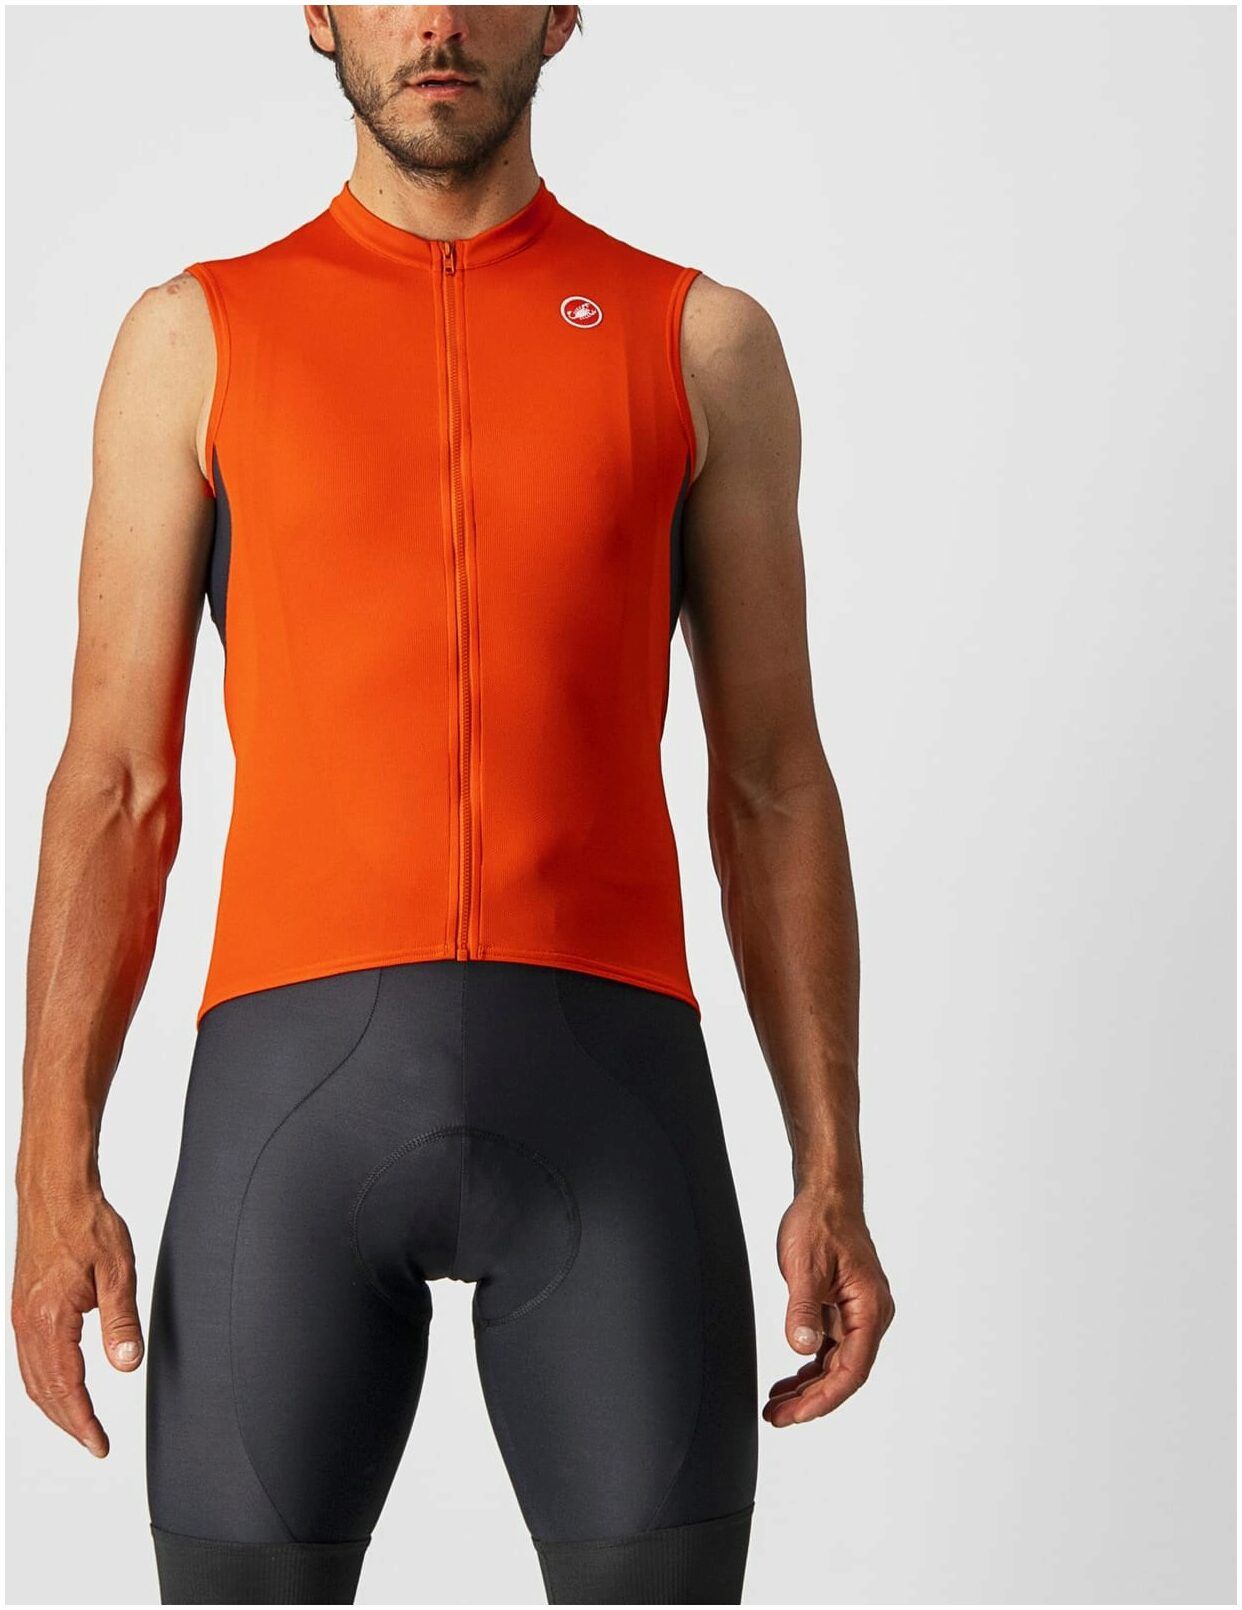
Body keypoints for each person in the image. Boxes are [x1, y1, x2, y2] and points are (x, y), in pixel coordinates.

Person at [11, 6, 894, 1604]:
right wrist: (47, 1173)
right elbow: (118, 784)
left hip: (614, 1111)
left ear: (558, 12)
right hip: (285, 1123)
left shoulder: (698, 342)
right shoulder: (194, 340)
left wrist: (829, 1164)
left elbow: (771, 780)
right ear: (317, 13)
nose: (432, 20)